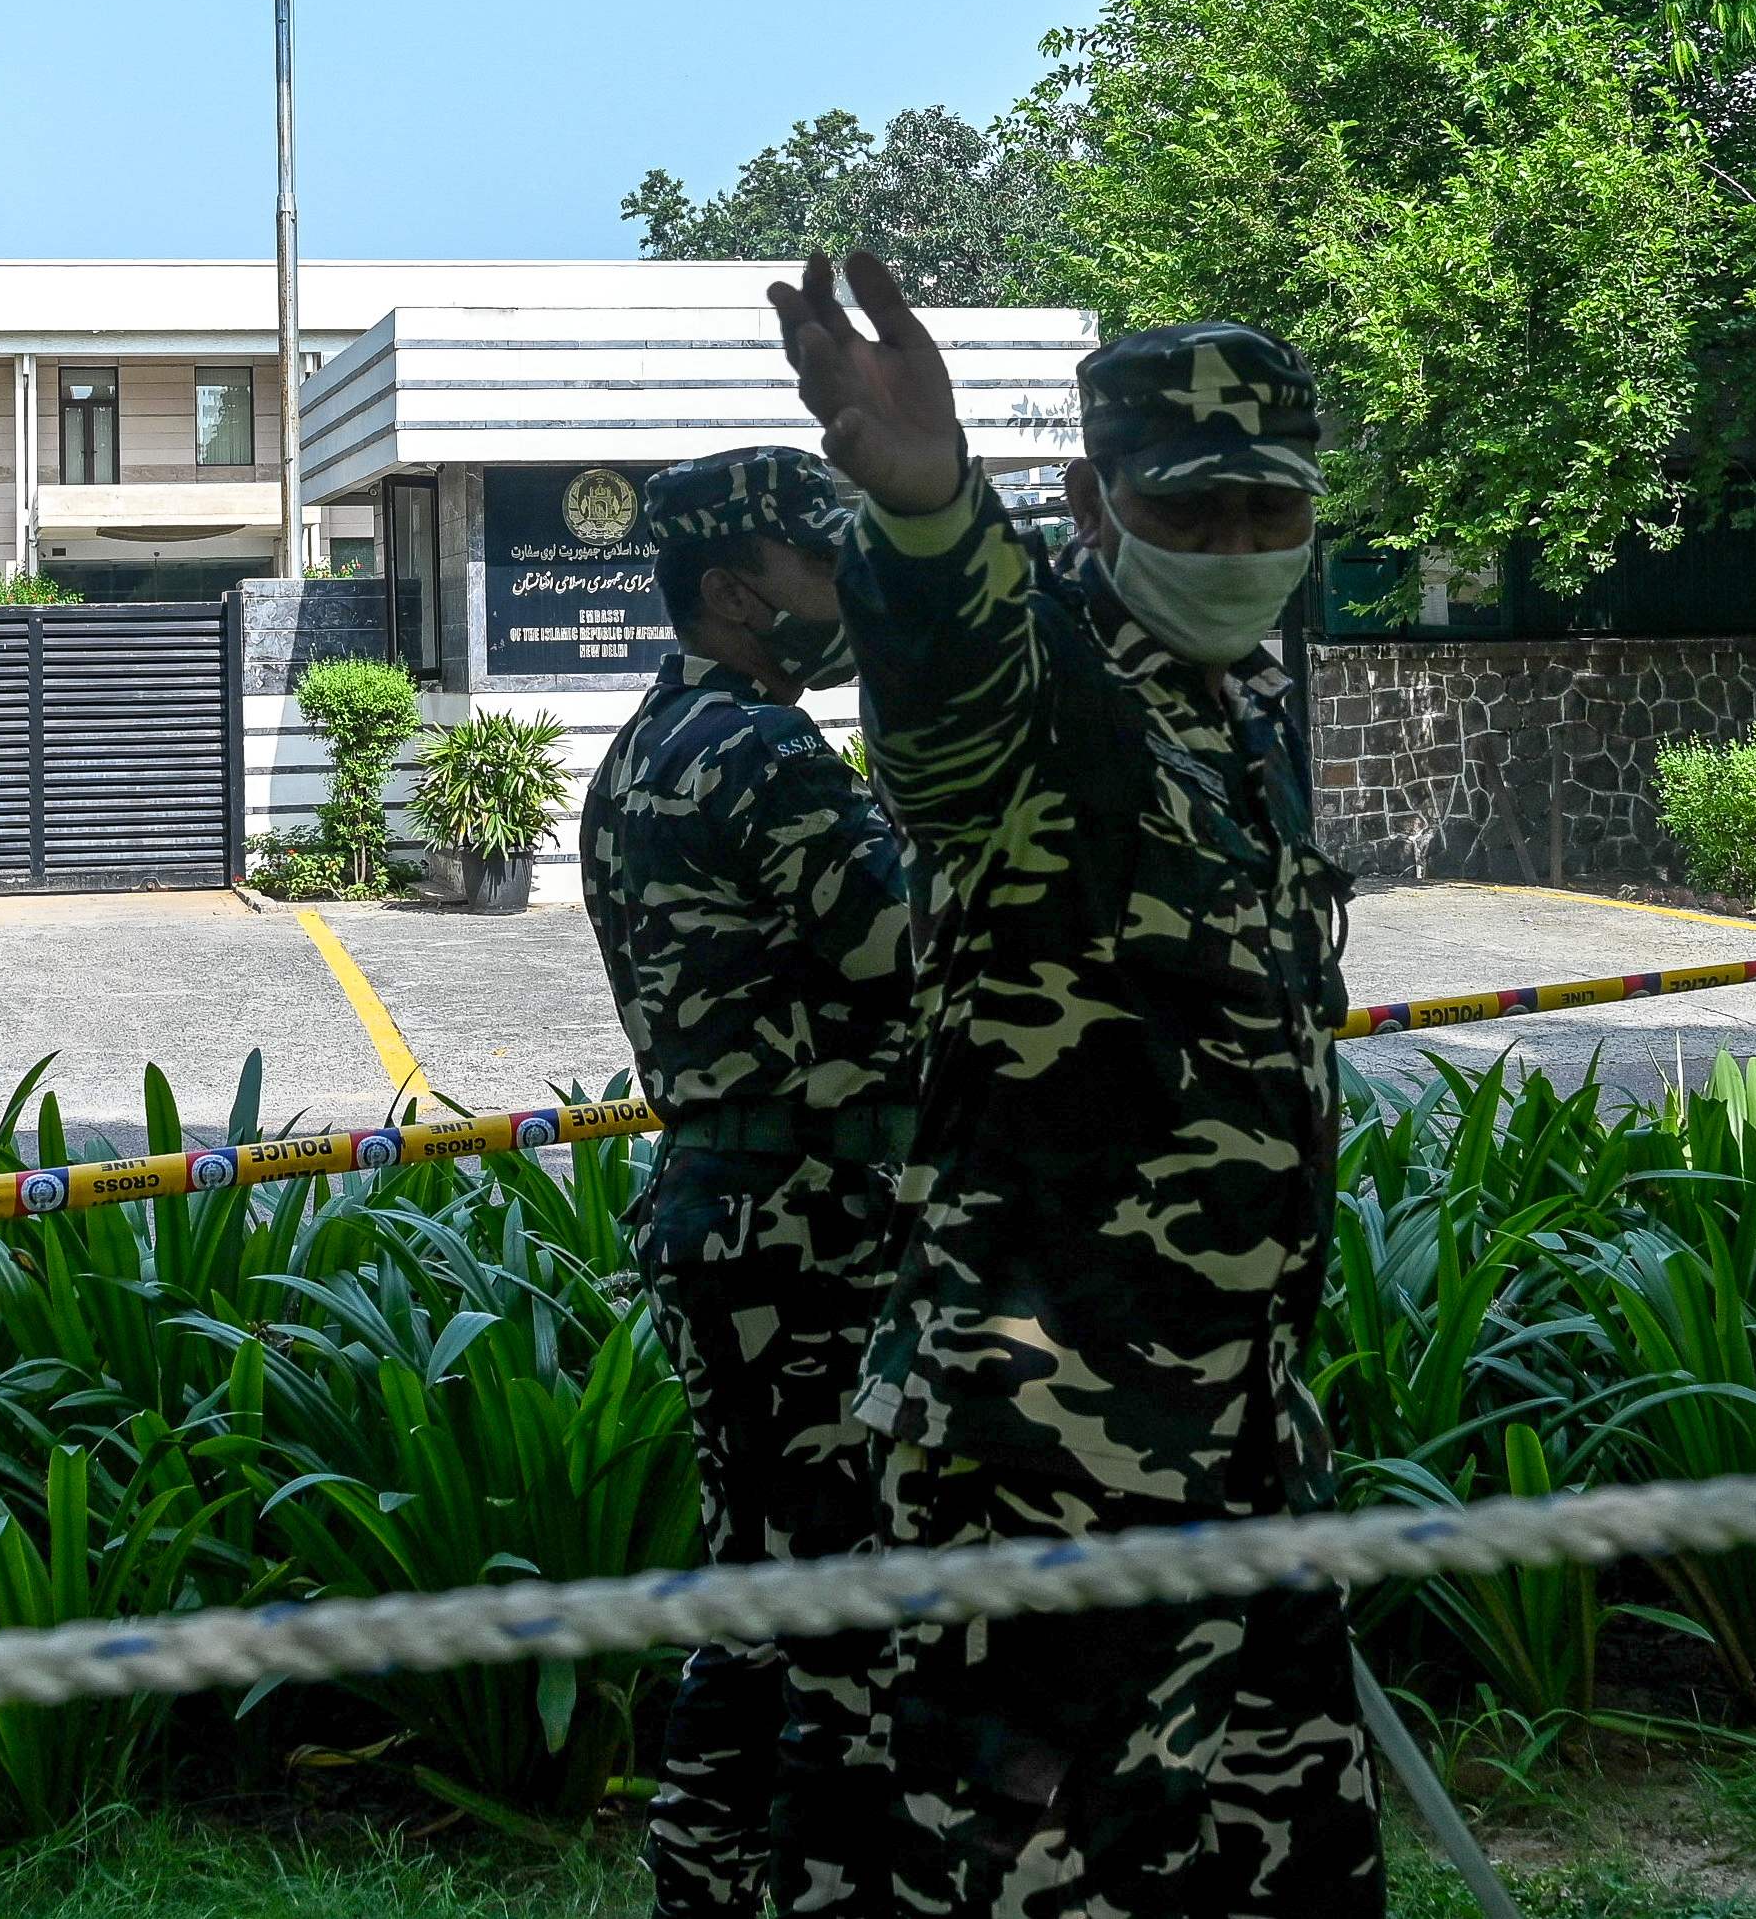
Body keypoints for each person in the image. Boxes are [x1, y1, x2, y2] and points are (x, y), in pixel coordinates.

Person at [767, 254, 1380, 1919]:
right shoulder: (1044, 693)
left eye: (1271, 511)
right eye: (1193, 516)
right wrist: (923, 508)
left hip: (1240, 1432)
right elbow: (951, 701)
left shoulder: (1234, 707)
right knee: (1042, 1872)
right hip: (1055, 1456)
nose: (1241, 551)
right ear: (1089, 503)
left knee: (1286, 1857)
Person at [581, 444, 923, 1918]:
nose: (845, 588)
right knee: (838, 1616)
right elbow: (916, 959)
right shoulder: (762, 753)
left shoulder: (655, 740)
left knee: (762, 1596)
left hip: (738, 1220)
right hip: (809, 1236)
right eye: (819, 561)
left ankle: (706, 1883)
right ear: (735, 590)